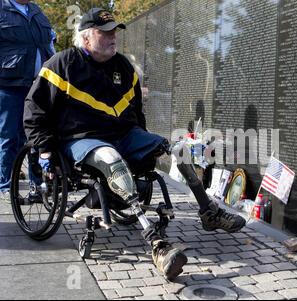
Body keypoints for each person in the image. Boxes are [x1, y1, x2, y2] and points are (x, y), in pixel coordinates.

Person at [23, 8, 246, 281]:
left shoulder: (123, 66)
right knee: (110, 157)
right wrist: (44, 148)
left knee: (178, 148)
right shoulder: (61, 64)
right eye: (105, 32)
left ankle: (207, 212)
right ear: (86, 37)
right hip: (81, 139)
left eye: (114, 31)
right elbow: (34, 109)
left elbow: (136, 113)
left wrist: (143, 142)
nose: (112, 36)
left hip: (124, 134)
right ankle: (156, 243)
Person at [0, 0, 55, 201]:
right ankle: (6, 186)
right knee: (10, 136)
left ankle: (36, 186)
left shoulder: (36, 10)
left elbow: (49, 43)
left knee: (36, 136)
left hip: (38, 85)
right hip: (9, 84)